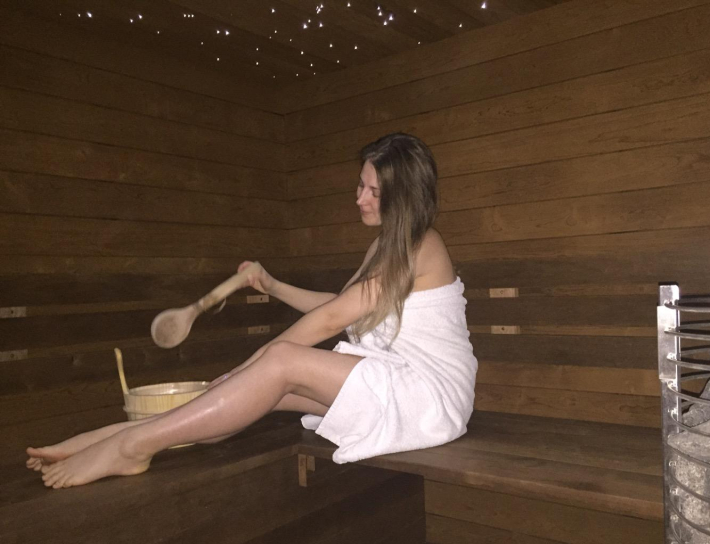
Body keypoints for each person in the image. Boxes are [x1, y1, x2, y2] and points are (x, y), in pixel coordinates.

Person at [26, 132, 478, 489]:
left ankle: (131, 446)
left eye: (374, 191)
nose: (359, 198)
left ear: (404, 195)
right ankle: (113, 436)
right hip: (396, 381)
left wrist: (250, 364)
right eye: (360, 185)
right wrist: (272, 285)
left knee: (275, 364)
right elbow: (339, 306)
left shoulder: (422, 244)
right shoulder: (385, 245)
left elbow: (331, 320)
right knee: (259, 394)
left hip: (428, 397)